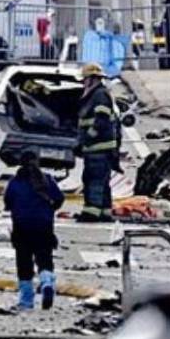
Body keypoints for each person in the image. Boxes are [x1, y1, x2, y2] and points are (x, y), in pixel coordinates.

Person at [4, 150, 64, 310]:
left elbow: (8, 203)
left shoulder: (15, 183)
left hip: (21, 227)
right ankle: (46, 283)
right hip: (43, 226)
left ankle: (26, 300)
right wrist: (48, 209)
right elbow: (59, 199)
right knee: (44, 258)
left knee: (24, 263)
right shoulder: (47, 180)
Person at [76, 62, 120, 222]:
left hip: (98, 147)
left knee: (93, 179)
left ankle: (91, 213)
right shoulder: (96, 94)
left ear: (92, 79)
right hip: (99, 147)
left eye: (85, 79)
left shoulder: (99, 95)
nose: (83, 82)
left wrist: (87, 138)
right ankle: (105, 212)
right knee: (102, 181)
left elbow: (101, 120)